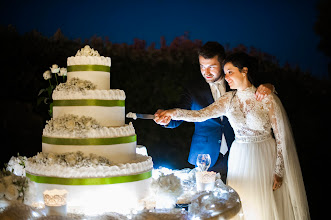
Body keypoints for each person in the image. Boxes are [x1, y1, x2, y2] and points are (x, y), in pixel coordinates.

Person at [155, 52, 310, 220]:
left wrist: (279, 171)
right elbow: (200, 115)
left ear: (244, 71)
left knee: (264, 205)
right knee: (241, 204)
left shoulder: (266, 98)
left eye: (230, 72)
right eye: (225, 72)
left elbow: (281, 138)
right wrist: (173, 113)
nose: (226, 77)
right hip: (239, 157)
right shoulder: (228, 99)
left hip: (264, 156)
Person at [154, 41, 274, 183]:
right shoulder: (193, 88)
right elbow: (182, 114)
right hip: (205, 157)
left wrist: (270, 86)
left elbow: (259, 90)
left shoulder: (236, 81)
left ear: (222, 63)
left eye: (211, 66)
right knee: (206, 200)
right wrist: (166, 118)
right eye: (202, 66)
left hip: (238, 154)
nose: (206, 72)